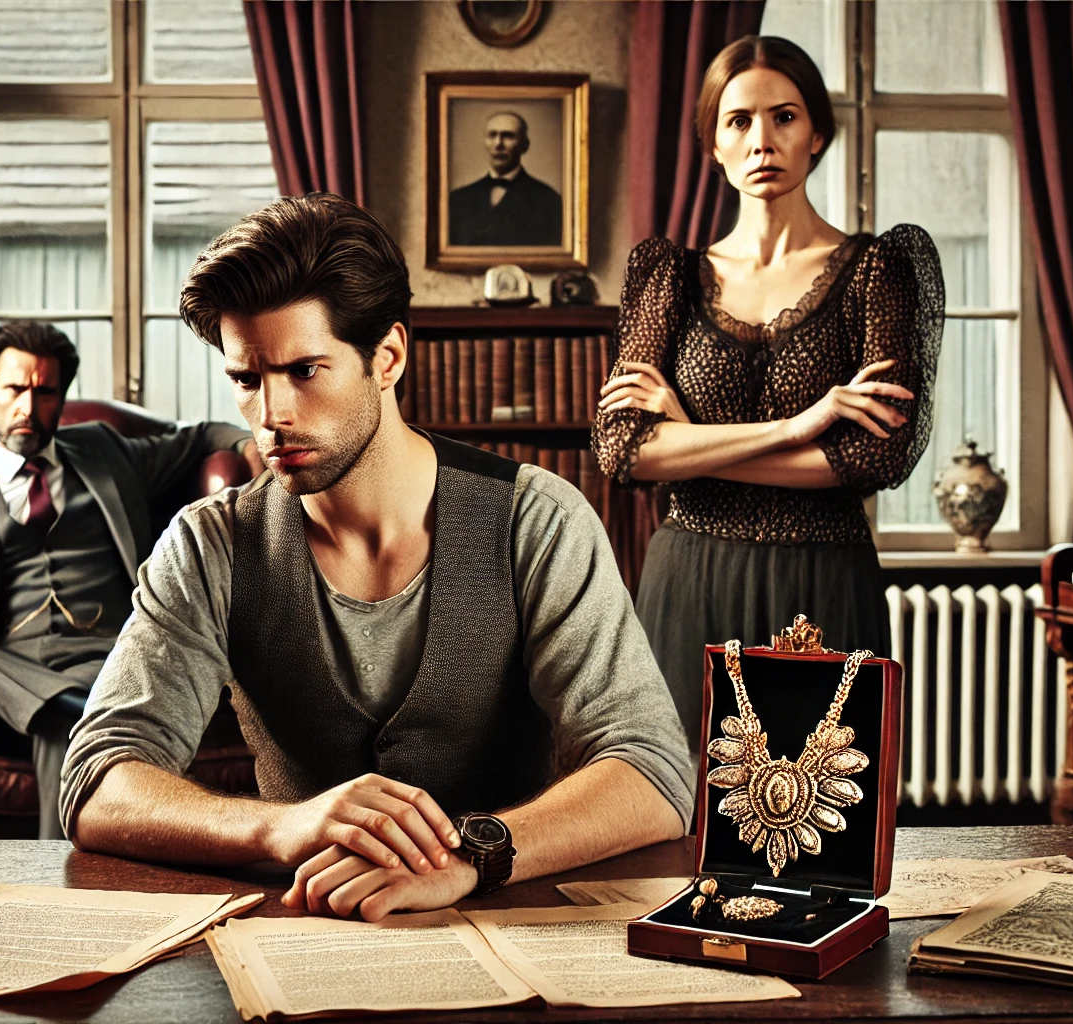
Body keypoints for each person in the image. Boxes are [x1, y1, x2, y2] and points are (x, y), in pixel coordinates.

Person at [62, 194, 690, 922]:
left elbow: (652, 770)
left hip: (512, 923)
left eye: (304, 371)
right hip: (302, 932)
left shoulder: (537, 520)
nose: (272, 416)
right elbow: (95, 781)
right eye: (246, 379)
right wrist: (276, 826)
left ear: (386, 357)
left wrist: (469, 855)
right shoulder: (211, 546)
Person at [592, 36, 944, 749]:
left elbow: (873, 460)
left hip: (823, 577)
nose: (761, 141)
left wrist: (686, 439)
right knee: (676, 823)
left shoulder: (881, 271)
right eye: (739, 121)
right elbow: (621, 450)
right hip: (687, 578)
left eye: (783, 117)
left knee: (824, 830)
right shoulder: (667, 276)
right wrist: (798, 426)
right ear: (713, 144)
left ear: (817, 133)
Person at [0, 321, 259, 839]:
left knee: (55, 725)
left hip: (109, 666)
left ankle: (57, 724)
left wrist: (248, 444)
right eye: (14, 389)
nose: (27, 405)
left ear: (61, 397)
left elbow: (202, 435)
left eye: (45, 392)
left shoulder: (106, 453)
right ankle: (60, 707)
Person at [447, 111, 563, 247]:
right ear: (485, 142)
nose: (498, 144)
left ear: (524, 145)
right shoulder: (458, 199)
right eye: (492, 135)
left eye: (508, 136)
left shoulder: (547, 200)